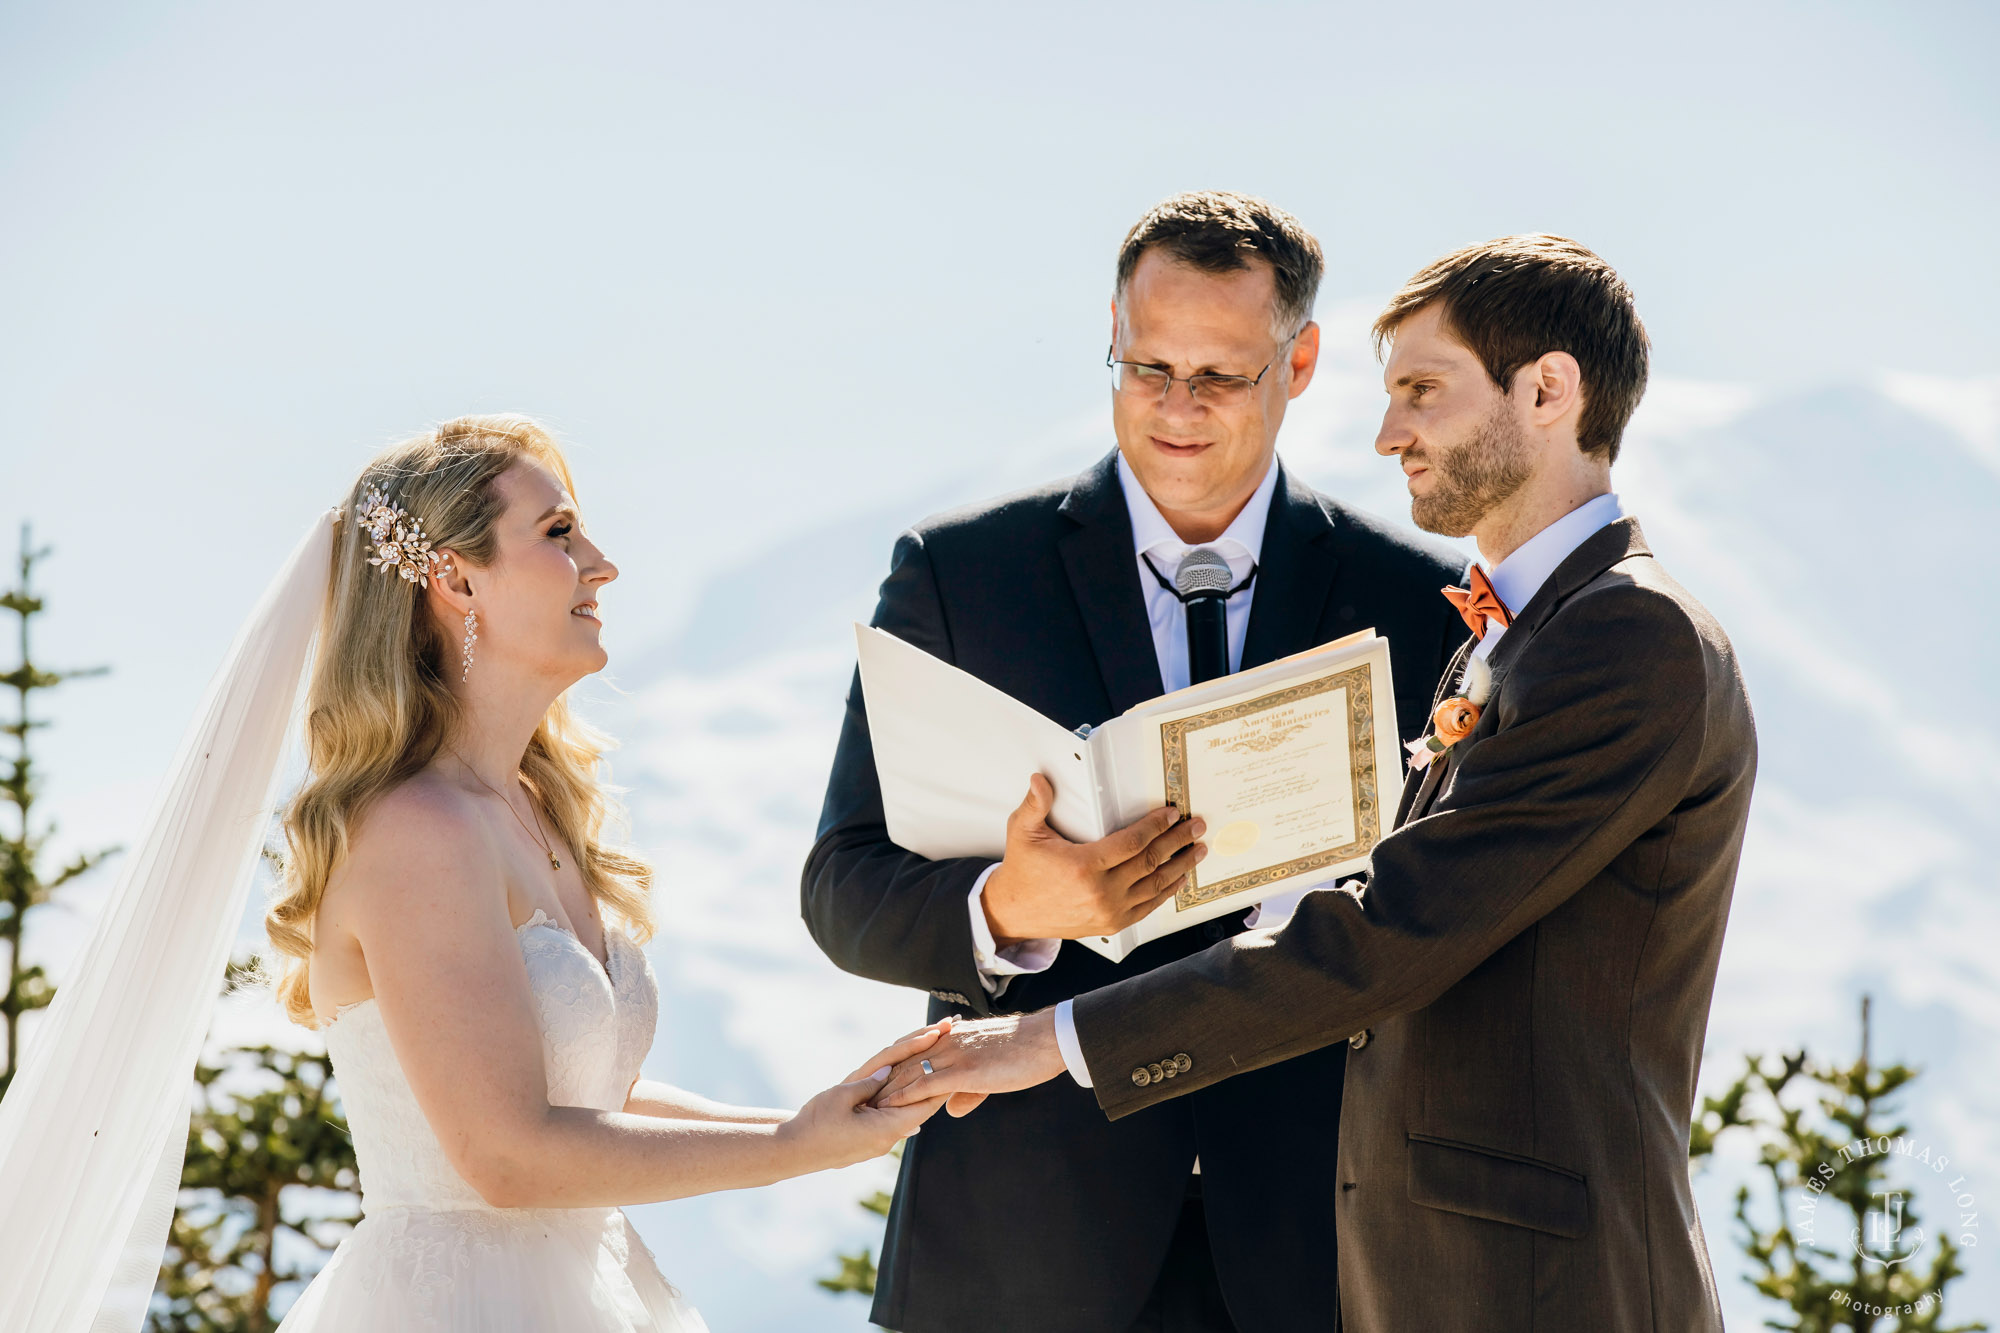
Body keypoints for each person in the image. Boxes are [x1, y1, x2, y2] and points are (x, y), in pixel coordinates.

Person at [875, 234, 1758, 1332]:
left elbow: (1396, 927)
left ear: (1547, 389)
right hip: (1423, 1268)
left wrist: (1042, 1040)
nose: (1387, 434)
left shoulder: (1626, 633)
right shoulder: (1515, 636)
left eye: (1421, 393)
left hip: (1538, 1279)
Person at [0, 415, 948, 1333]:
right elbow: (505, 1153)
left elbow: (591, 1102)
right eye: (559, 532)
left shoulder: (536, 810)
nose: (602, 563)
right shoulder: (413, 829)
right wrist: (791, 1151)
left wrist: (816, 1119)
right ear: (456, 578)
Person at [803, 192, 1469, 1333]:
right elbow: (843, 887)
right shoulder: (961, 577)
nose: (1174, 408)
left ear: (1298, 360)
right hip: (1021, 1255)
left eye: (1218, 376)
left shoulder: (1415, 601)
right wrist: (1008, 901)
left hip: (1316, 1251)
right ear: (1110, 330)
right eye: (1144, 364)